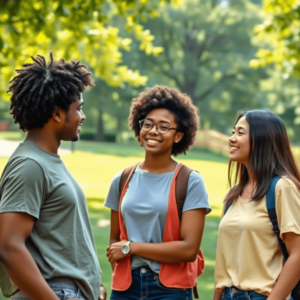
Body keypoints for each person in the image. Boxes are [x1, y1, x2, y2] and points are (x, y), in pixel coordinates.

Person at [0, 53, 105, 300]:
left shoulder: (46, 160)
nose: (83, 116)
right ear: (57, 114)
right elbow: (8, 245)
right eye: (78, 108)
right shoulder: (30, 164)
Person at [105, 86, 211, 300]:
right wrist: (124, 252)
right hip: (126, 289)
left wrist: (132, 248)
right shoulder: (122, 179)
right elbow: (115, 241)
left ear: (179, 136)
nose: (153, 131)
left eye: (164, 127)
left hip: (170, 291)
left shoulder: (190, 181)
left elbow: (189, 249)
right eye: (148, 124)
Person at [213, 110, 300, 300]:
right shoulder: (232, 195)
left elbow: (298, 255)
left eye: (240, 133)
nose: (231, 139)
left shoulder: (282, 188)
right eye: (232, 132)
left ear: (263, 139)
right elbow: (224, 263)